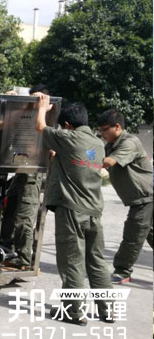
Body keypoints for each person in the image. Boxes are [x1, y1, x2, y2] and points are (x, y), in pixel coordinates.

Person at [35, 95, 114, 326]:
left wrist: (42, 108)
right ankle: (108, 310)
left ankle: (74, 312)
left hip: (72, 210)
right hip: (94, 210)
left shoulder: (67, 137)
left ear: (68, 125)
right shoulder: (98, 144)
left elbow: (40, 127)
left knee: (72, 262)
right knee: (97, 261)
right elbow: (77, 162)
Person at [97, 109, 153, 284]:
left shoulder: (129, 142)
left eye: (104, 130)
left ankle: (122, 271)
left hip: (145, 197)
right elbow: (97, 156)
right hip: (141, 197)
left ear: (117, 127)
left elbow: (108, 162)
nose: (102, 134)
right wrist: (78, 155)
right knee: (149, 233)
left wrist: (82, 160)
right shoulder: (111, 144)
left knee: (133, 235)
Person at [1, 85, 49, 269]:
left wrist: (42, 108)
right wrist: (11, 103)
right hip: (19, 169)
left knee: (24, 216)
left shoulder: (48, 116)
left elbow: (45, 133)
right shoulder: (24, 113)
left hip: (33, 171)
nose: (34, 102)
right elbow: (4, 125)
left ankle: (23, 258)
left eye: (38, 98)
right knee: (9, 208)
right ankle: (6, 247)